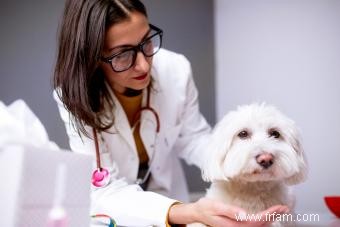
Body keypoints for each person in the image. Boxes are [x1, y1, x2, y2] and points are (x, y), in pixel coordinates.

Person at [53, 0, 288, 226]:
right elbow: (104, 188)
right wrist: (186, 211)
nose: (144, 65)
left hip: (172, 203)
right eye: (123, 54)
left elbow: (194, 140)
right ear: (92, 57)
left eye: (146, 42)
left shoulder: (175, 70)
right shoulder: (74, 97)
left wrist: (251, 159)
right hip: (117, 217)